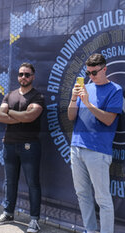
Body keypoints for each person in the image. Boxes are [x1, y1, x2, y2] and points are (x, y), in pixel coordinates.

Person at [67, 53, 122, 233]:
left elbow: (108, 120)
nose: (91, 76)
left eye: (94, 72)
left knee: (103, 199)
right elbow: (71, 117)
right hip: (76, 147)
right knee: (82, 195)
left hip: (98, 151)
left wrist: (89, 104)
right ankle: (90, 230)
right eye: (88, 72)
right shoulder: (85, 88)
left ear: (104, 69)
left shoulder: (115, 89)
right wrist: (74, 100)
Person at [0, 63, 44, 233]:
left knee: (33, 183)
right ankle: (8, 213)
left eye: (27, 74)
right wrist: (21, 116)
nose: (23, 77)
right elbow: (0, 116)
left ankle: (34, 220)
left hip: (30, 145)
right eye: (21, 74)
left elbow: (30, 117)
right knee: (10, 181)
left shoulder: (38, 96)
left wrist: (12, 113)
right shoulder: (9, 95)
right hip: (9, 143)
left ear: (33, 76)